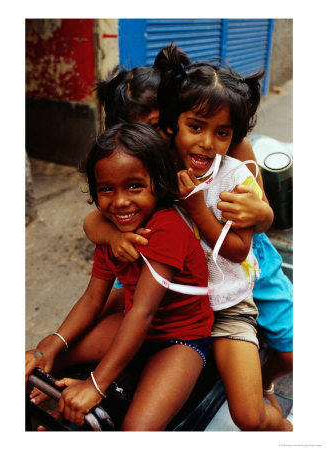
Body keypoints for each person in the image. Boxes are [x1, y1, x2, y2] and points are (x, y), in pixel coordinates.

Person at [83, 48, 293, 414]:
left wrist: (263, 213)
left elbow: (252, 224)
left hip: (241, 269)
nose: (149, 141)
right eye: (135, 132)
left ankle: (265, 383)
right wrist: (115, 236)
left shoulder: (228, 154)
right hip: (174, 269)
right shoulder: (153, 167)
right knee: (116, 313)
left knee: (289, 354)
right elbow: (94, 220)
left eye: (154, 126)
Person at [25, 122, 214, 431]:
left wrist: (94, 385)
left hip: (180, 339)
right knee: (37, 364)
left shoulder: (166, 229)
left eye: (134, 186)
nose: (120, 201)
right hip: (130, 322)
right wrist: (51, 345)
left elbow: (143, 312)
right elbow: (91, 299)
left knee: (137, 429)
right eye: (106, 189)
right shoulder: (110, 231)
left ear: (159, 182)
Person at [153, 44, 292, 431]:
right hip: (172, 305)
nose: (207, 143)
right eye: (196, 126)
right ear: (171, 124)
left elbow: (238, 249)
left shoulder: (233, 179)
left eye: (222, 133)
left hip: (227, 308)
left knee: (248, 416)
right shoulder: (157, 166)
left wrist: (198, 209)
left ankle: (283, 429)